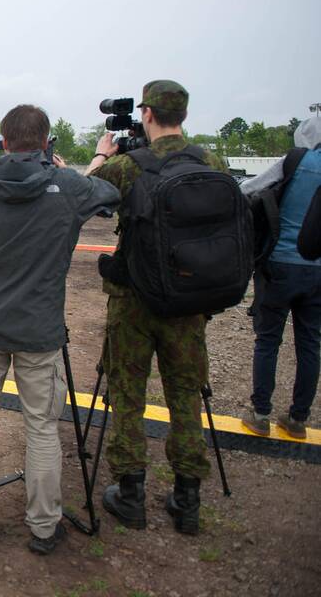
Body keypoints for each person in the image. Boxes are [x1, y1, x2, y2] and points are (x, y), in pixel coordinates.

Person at [0, 104, 119, 555]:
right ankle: (44, 526)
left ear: (3, 143)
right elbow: (108, 194)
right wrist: (88, 164)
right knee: (42, 426)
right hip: (40, 333)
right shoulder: (67, 189)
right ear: (46, 144)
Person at [86, 79, 226, 535]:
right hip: (190, 300)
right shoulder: (213, 162)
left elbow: (85, 198)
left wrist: (103, 154)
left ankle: (131, 496)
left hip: (134, 301)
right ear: (182, 115)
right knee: (185, 395)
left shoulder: (129, 166)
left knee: (128, 394)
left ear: (146, 114)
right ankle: (187, 500)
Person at [239, 115, 321, 440]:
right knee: (311, 344)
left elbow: (249, 188)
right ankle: (298, 419)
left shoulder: (296, 160)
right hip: (318, 272)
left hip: (279, 266)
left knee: (268, 341)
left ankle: (260, 413)